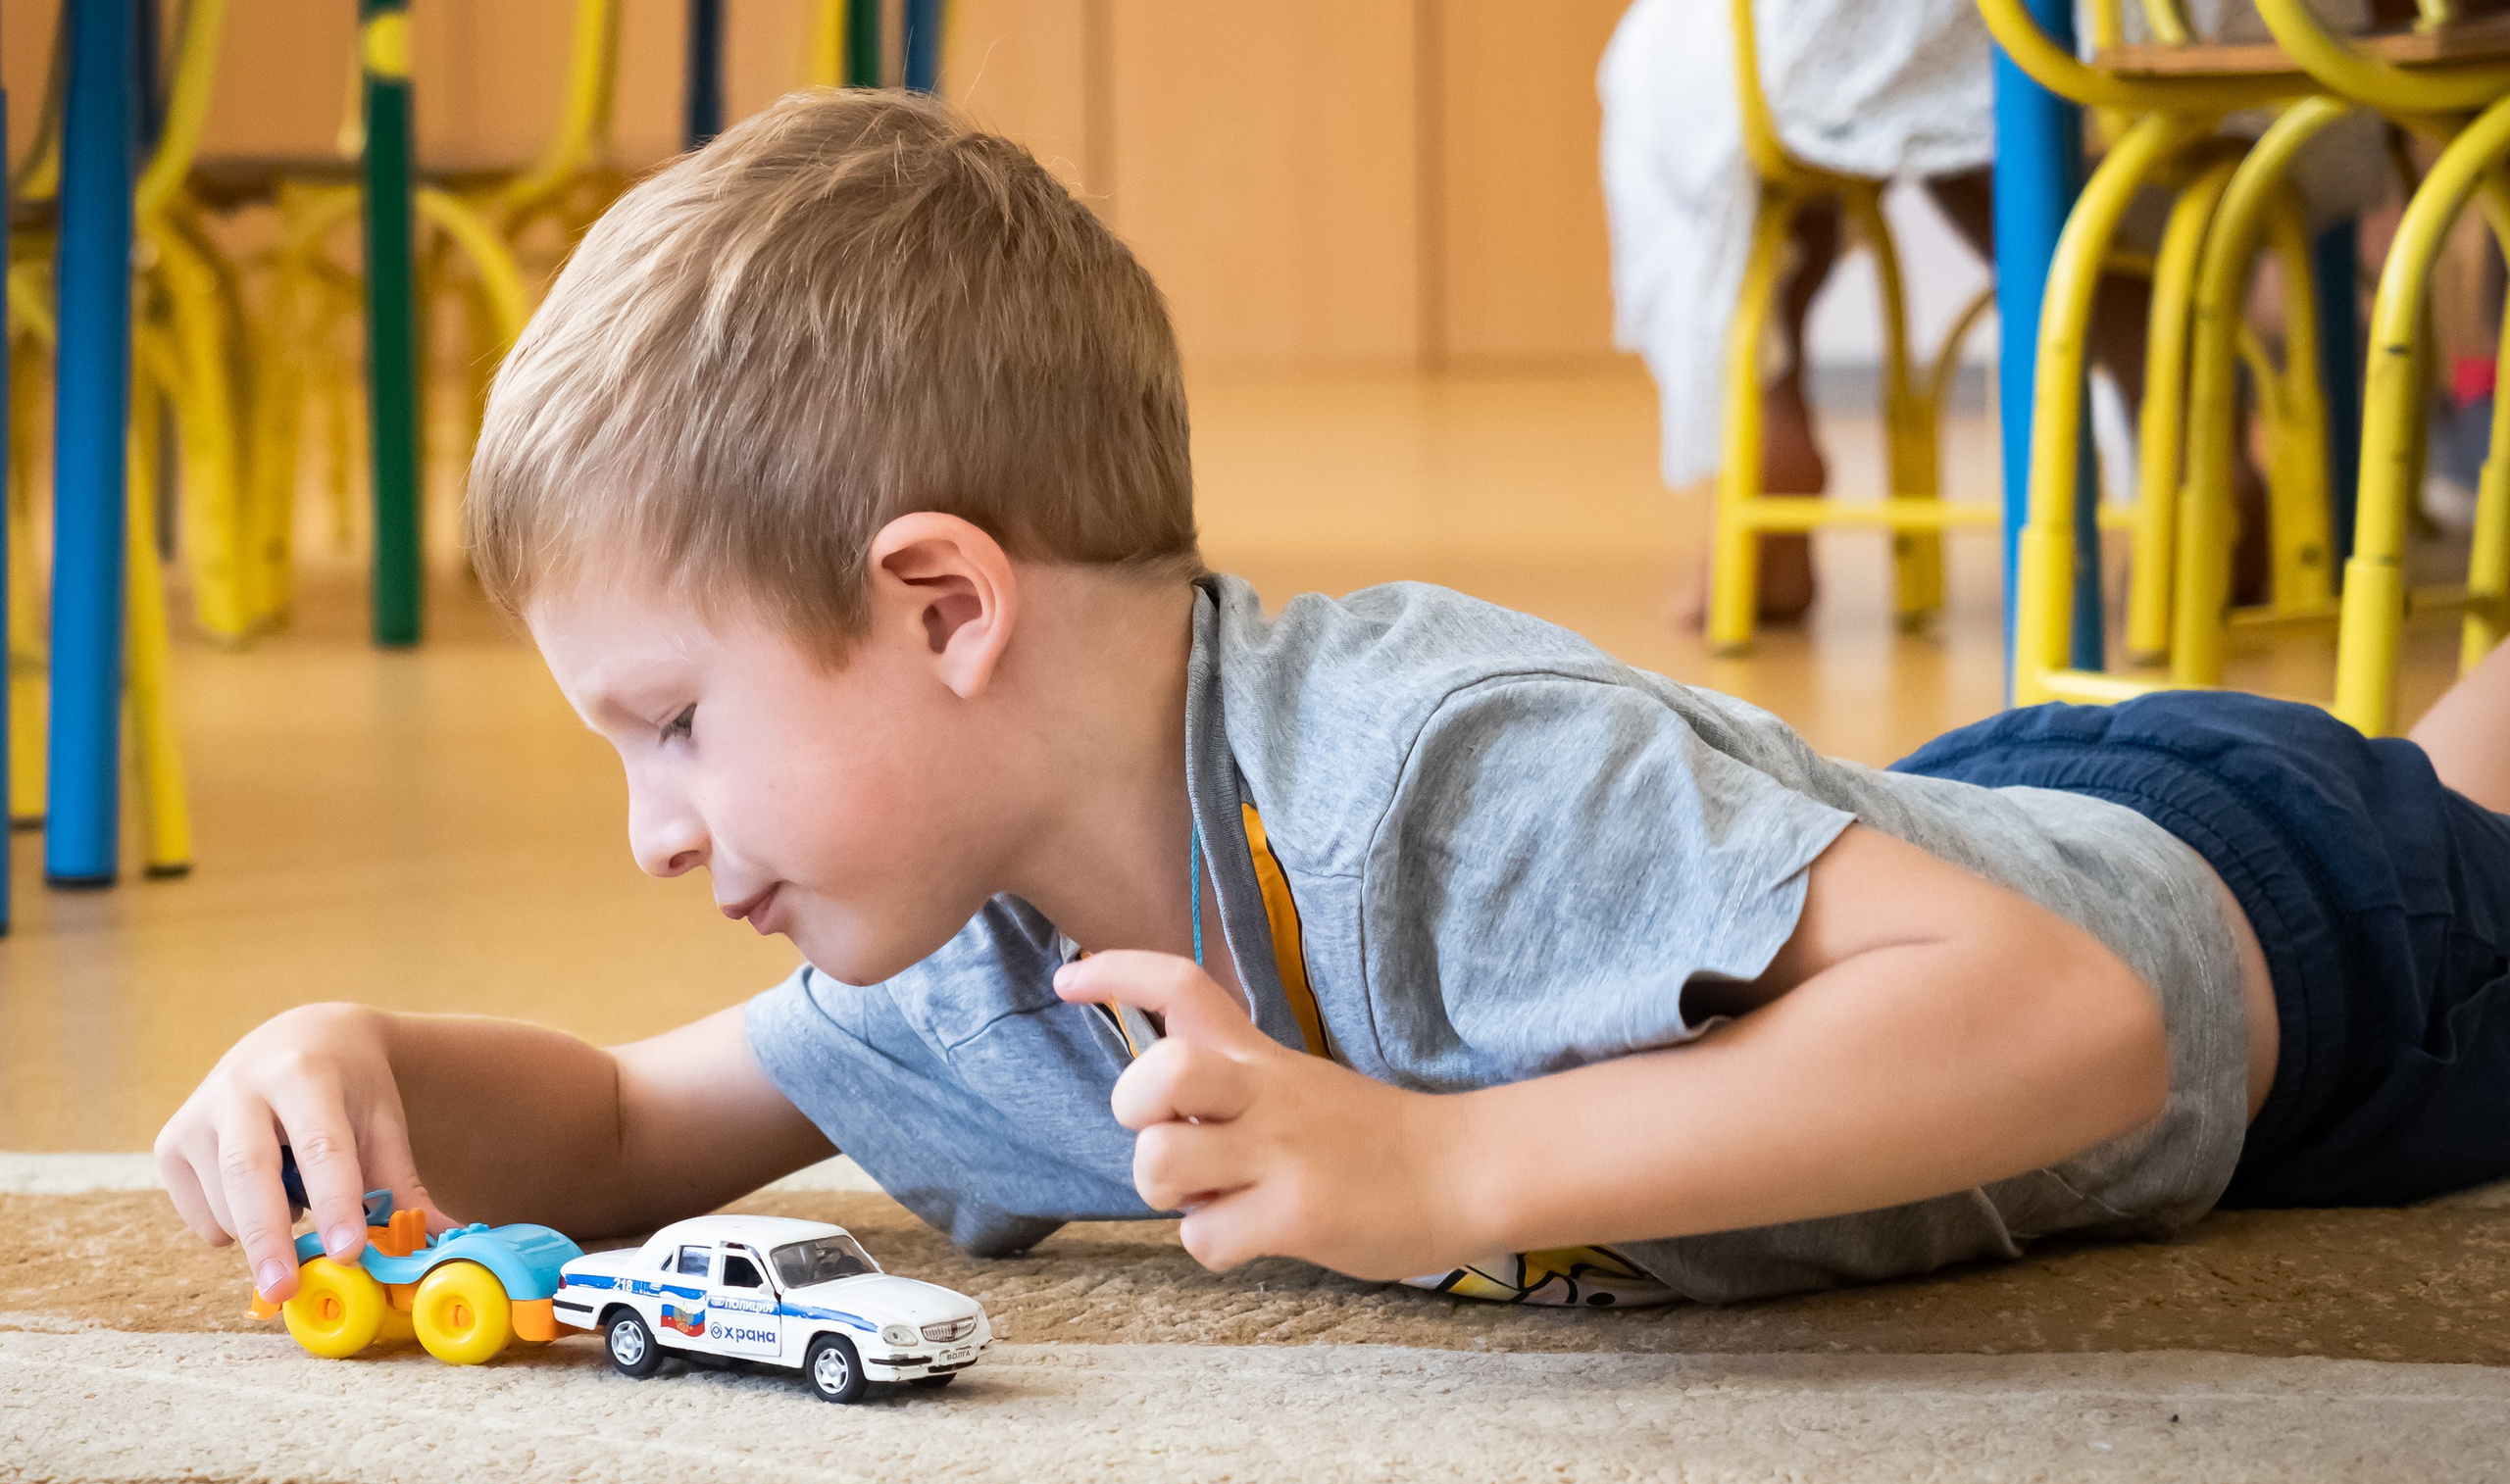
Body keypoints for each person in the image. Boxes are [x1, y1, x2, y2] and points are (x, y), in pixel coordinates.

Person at [157, 92, 2510, 1314]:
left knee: (2447, 816)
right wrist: (351, 1065)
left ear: (941, 604)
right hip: (1921, 826)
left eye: (670, 720)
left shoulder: (1419, 774)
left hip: (2287, 948)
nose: (652, 830)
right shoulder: (983, 958)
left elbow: (2071, 1016)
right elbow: (621, 1131)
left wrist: (1445, 1171)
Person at [1598, 0, 2386, 624]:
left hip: (1959, 41)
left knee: (1681, 70)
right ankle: (2184, 415)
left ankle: (1768, 415)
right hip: (2274, 30)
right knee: (1978, 92)